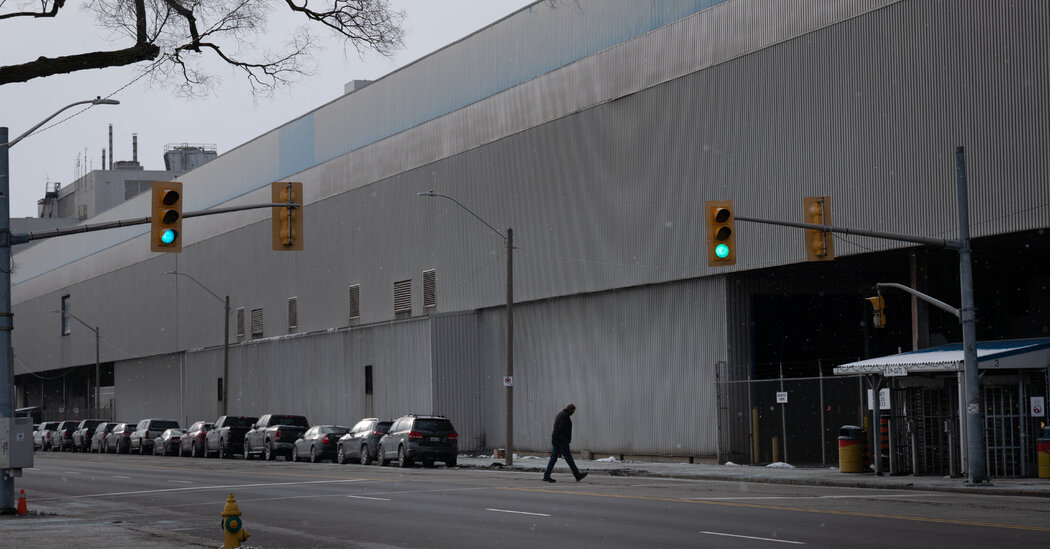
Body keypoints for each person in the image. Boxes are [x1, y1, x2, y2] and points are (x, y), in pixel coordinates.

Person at [543, 403, 587, 482]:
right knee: (568, 458)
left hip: (556, 439)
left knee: (553, 458)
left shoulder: (561, 414)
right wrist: (565, 441)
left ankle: (546, 475)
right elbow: (562, 430)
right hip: (561, 441)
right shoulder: (564, 416)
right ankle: (577, 475)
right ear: (571, 410)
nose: (573, 413)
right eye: (573, 411)